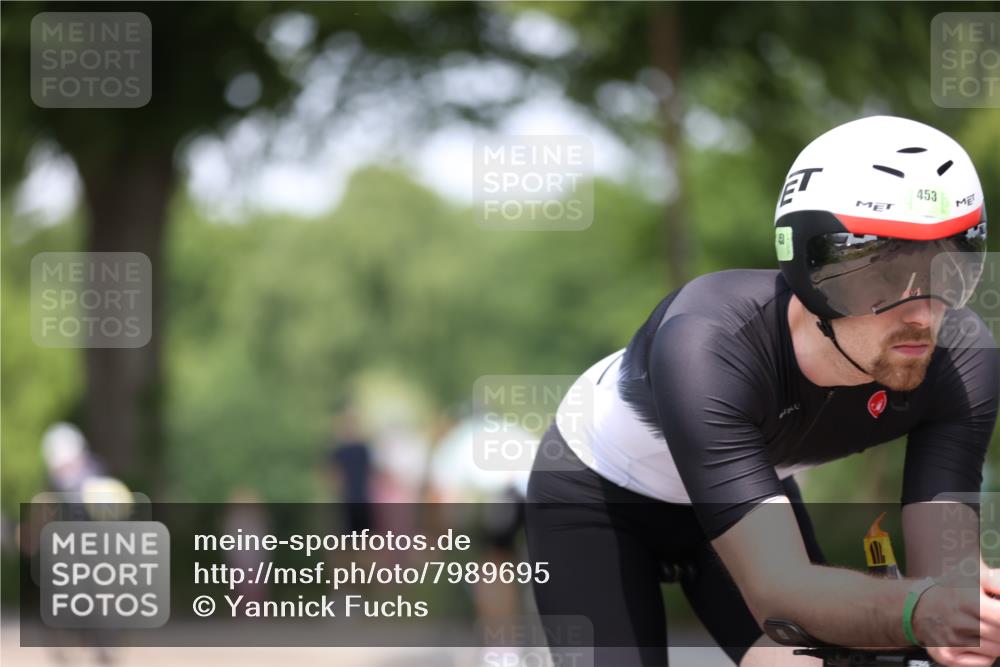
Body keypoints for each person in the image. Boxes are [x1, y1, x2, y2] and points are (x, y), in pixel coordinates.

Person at [524, 116, 1000, 667]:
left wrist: (970, 611)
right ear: (814, 271)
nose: (924, 314)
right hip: (596, 497)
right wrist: (922, 610)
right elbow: (780, 591)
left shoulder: (962, 356)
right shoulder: (707, 342)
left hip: (747, 493)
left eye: (950, 271)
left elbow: (945, 583)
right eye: (889, 279)